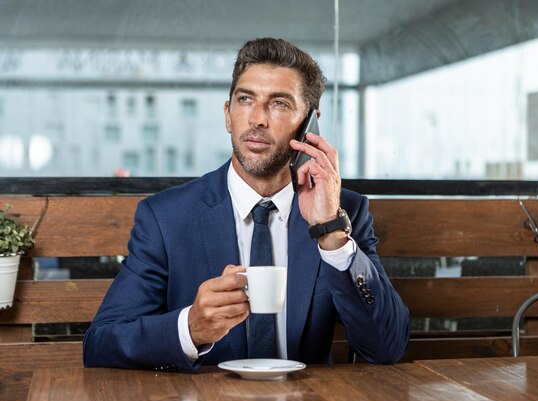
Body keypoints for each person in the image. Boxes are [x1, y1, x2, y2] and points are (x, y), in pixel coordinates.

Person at [83, 38, 410, 371]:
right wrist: (190, 328)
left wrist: (331, 234)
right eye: (245, 100)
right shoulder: (166, 218)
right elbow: (102, 343)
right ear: (228, 115)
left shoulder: (342, 212)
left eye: (279, 103)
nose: (257, 119)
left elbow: (386, 347)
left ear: (310, 122)